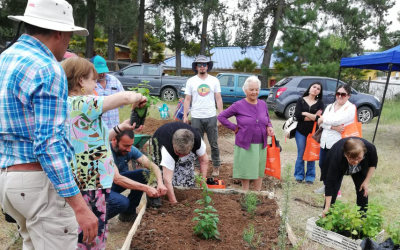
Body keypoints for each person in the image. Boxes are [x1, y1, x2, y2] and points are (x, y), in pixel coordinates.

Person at [0, 1, 99, 249]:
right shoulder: (47, 69)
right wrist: (80, 206)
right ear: (59, 32)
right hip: (39, 183)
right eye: (69, 36)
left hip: (9, 178)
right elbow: (49, 144)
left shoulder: (5, 59)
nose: (68, 43)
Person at [62, 57, 160, 249]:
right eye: (92, 80)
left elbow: (92, 138)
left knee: (82, 233)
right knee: (92, 236)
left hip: (83, 180)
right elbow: (122, 98)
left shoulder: (69, 105)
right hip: (91, 183)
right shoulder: (83, 102)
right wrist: (137, 97)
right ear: (81, 81)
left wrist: (119, 128)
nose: (95, 85)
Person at [217, 76, 275, 191]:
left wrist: (269, 126)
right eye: (251, 89)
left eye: (257, 89)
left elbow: (267, 119)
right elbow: (221, 116)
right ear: (245, 90)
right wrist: (234, 127)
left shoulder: (263, 104)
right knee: (247, 170)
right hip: (245, 143)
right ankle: (245, 193)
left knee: (259, 169)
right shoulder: (238, 105)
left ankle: (257, 193)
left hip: (261, 143)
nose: (254, 92)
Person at [109, 130, 168, 222]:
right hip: (100, 187)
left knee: (144, 174)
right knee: (122, 202)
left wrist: (160, 182)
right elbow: (117, 179)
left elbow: (154, 167)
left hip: (114, 183)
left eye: (130, 145)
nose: (129, 149)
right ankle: (95, 219)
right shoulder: (106, 151)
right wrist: (146, 188)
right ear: (114, 140)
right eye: (126, 146)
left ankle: (128, 213)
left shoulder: (130, 149)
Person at [183, 55, 223, 177]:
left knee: (214, 143)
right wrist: (185, 115)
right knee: (196, 144)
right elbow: (187, 99)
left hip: (211, 116)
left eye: (204, 64)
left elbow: (218, 98)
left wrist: (220, 115)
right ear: (196, 67)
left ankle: (216, 166)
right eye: (199, 64)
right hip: (196, 117)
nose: (202, 66)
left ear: (207, 66)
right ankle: (196, 166)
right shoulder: (191, 81)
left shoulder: (214, 80)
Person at [151, 122, 209, 204]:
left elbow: (204, 160)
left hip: (182, 144)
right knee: (164, 178)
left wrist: (203, 180)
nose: (181, 156)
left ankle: (184, 191)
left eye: (185, 154)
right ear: (174, 145)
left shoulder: (197, 140)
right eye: (178, 153)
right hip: (160, 139)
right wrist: (174, 203)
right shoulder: (167, 149)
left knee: (186, 174)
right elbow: (167, 179)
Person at [315, 84, 356, 195]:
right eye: (338, 93)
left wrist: (323, 119)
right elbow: (321, 124)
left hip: (339, 142)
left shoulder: (350, 107)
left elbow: (339, 120)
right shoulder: (329, 106)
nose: (340, 96)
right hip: (325, 140)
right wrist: (332, 127)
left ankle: (336, 190)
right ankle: (326, 185)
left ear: (348, 96)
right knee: (322, 164)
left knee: (336, 166)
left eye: (343, 94)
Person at [322, 138, 377, 216]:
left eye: (359, 158)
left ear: (364, 153)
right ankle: (327, 214)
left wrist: (366, 181)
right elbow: (330, 183)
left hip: (359, 169)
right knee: (334, 189)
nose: (355, 162)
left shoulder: (370, 148)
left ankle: (362, 217)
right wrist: (327, 206)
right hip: (339, 163)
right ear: (345, 154)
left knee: (362, 189)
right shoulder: (337, 156)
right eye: (352, 159)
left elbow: (373, 164)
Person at [293, 82, 324, 184]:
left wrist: (305, 113)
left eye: (318, 88)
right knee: (301, 154)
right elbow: (298, 116)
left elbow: (319, 118)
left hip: (314, 133)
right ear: (310, 88)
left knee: (311, 154)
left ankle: (310, 177)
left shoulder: (320, 103)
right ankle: (299, 176)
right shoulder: (300, 100)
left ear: (319, 92)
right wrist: (313, 116)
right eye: (314, 87)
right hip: (300, 131)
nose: (315, 89)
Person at [91, 55, 125, 130]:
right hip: (97, 131)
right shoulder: (88, 84)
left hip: (114, 128)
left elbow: (123, 100)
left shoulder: (114, 80)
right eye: (99, 72)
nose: (102, 74)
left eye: (103, 71)